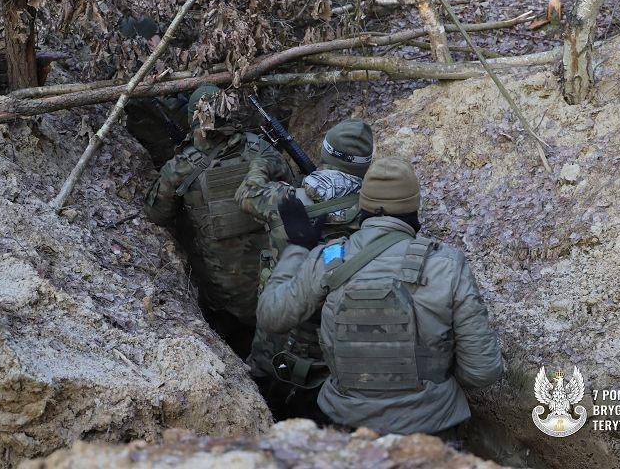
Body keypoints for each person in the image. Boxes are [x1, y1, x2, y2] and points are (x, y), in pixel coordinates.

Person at [257, 157, 503, 436]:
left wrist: (298, 247)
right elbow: (482, 370)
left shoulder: (329, 257)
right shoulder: (447, 264)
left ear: (362, 207)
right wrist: (435, 381)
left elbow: (271, 315)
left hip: (346, 424)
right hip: (431, 429)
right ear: (413, 208)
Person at [235, 118, 373, 418]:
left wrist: (264, 163)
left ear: (325, 153)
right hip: (332, 336)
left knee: (260, 393)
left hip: (276, 326)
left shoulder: (285, 200)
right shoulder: (374, 213)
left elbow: (246, 194)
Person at [143, 85, 294, 357]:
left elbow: (157, 215)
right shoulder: (261, 149)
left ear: (193, 119)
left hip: (223, 293)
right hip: (276, 278)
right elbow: (292, 189)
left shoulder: (181, 166)